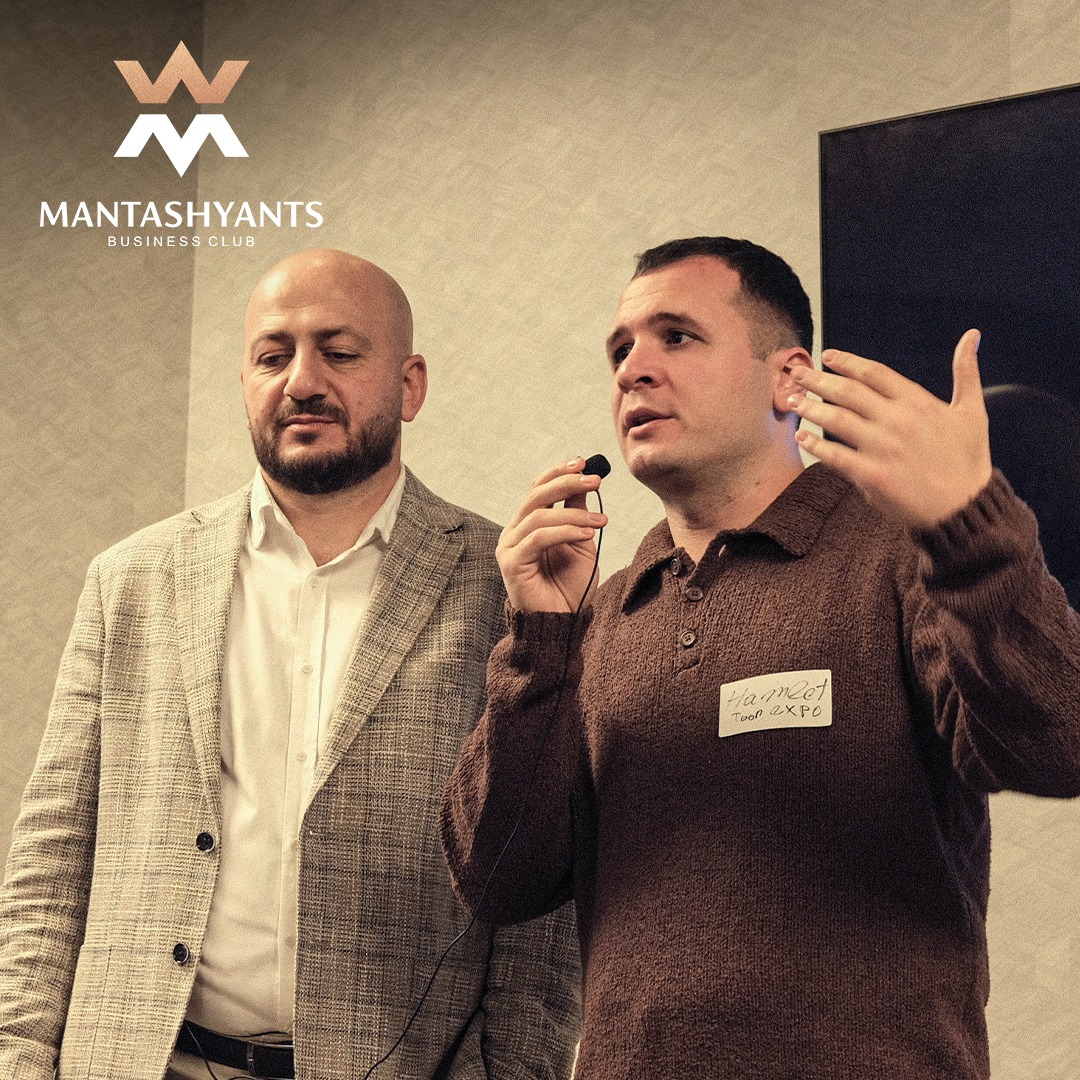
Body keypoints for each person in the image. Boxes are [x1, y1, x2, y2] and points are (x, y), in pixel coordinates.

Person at [440, 236, 1080, 1080]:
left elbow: (1060, 743)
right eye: (620, 350)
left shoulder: (900, 552)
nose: (633, 370)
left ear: (790, 380)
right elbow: (498, 881)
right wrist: (540, 643)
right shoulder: (602, 611)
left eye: (676, 336)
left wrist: (970, 527)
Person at [0, 248, 580, 1080]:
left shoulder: (510, 587)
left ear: (410, 385)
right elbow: (52, 855)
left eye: (339, 352)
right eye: (273, 357)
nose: (303, 381)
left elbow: (537, 899)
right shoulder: (132, 579)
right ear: (245, 381)